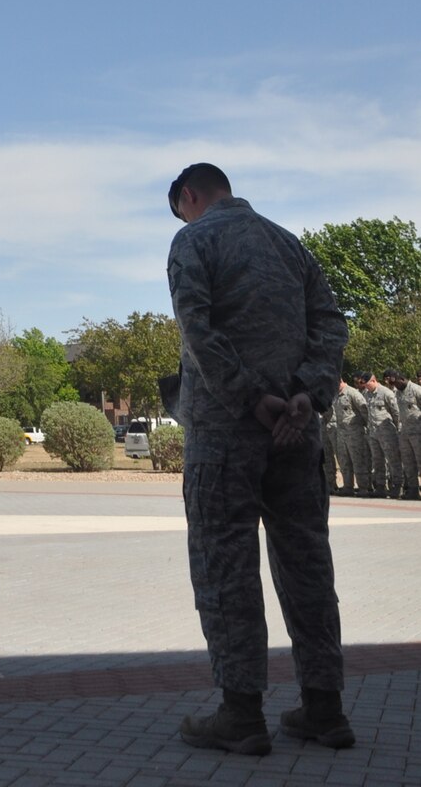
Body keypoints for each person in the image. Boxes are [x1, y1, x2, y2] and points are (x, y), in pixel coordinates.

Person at [166, 162, 353, 755]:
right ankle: (324, 709)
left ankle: (241, 714)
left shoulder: (194, 240)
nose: (184, 217)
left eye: (181, 208)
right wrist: (307, 394)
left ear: (189, 196)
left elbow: (198, 332)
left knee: (226, 570)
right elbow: (330, 324)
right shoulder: (290, 245)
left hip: (227, 436)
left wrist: (253, 400)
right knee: (308, 567)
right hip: (297, 435)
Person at [357, 373, 401, 498]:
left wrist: (397, 429)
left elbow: (396, 413)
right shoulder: (366, 394)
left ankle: (398, 486)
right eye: (364, 385)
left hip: (387, 432)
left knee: (393, 459)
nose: (366, 387)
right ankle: (381, 486)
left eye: (367, 384)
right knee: (378, 461)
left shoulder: (386, 393)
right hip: (373, 432)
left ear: (373, 381)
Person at [382, 371, 420, 501]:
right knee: (408, 463)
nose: (394, 386)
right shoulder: (397, 392)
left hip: (418, 433)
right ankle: (413, 490)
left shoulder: (416, 390)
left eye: (395, 383)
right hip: (404, 433)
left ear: (402, 378)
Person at [331, 377, 369, 498]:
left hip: (355, 433)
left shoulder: (352, 393)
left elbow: (364, 411)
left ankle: (363, 487)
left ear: (340, 381)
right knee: (344, 461)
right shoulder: (336, 395)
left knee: (358, 460)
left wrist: (364, 426)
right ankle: (348, 486)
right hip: (341, 433)